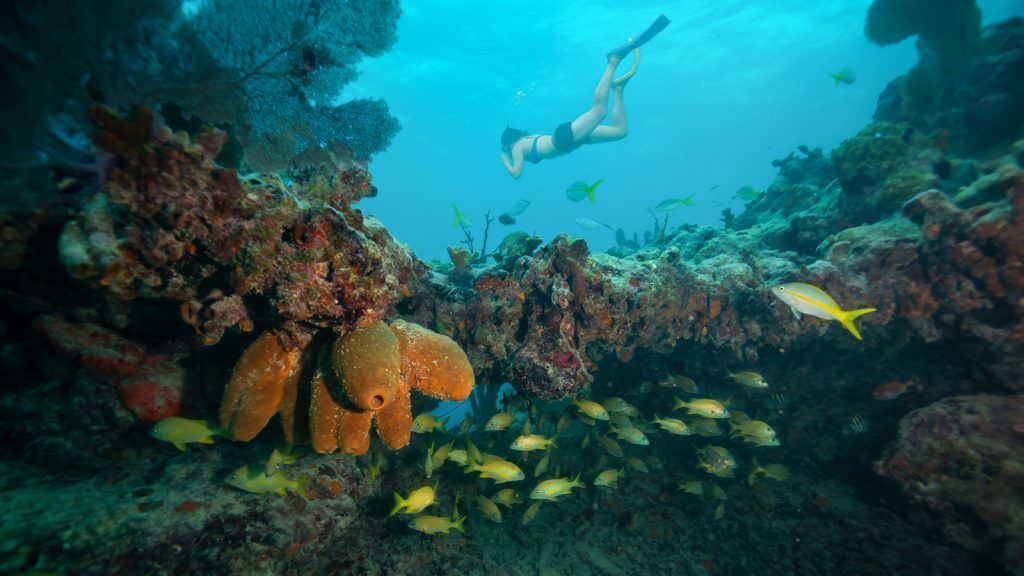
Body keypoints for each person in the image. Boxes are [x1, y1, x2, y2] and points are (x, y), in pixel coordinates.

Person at [500, 53, 637, 179]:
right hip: (571, 140)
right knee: (620, 132)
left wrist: (505, 161)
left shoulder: (517, 146)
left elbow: (516, 174)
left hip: (564, 139)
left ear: (509, 144)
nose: (509, 152)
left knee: (599, 111)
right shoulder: (527, 139)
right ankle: (618, 89)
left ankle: (613, 62)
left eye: (506, 148)